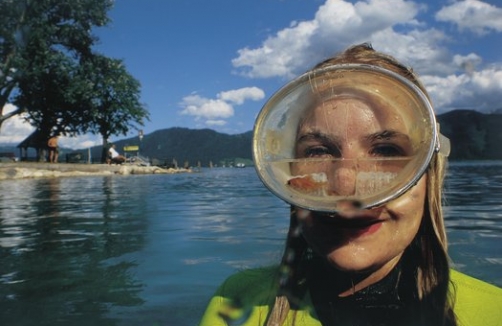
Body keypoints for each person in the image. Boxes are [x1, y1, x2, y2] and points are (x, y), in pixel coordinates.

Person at [200, 44, 502, 326]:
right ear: (289, 181)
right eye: (318, 151)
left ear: (427, 172)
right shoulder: (237, 301)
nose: (345, 185)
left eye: (386, 151)